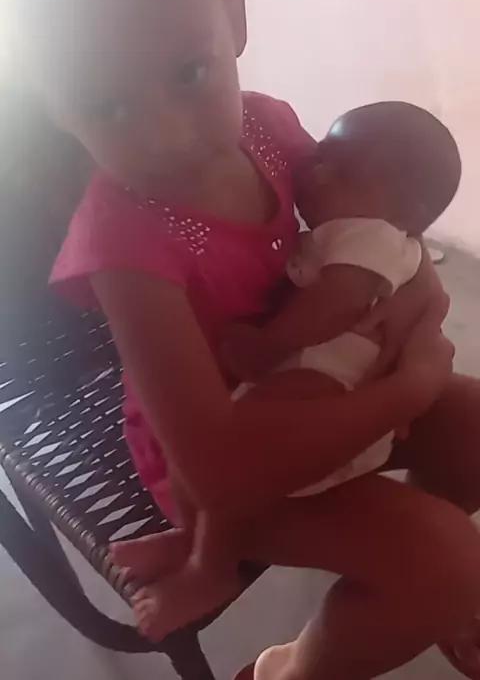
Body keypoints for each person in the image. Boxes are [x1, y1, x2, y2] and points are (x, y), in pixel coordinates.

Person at [7, 0, 480, 680]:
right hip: (220, 477)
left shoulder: (267, 127)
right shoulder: (126, 252)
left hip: (319, 375)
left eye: (189, 73)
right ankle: (294, 668)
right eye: (107, 104)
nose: (166, 136)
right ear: (54, 103)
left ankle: (418, 593)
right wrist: (402, 391)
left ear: (234, 14)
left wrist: (416, 302)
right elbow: (219, 469)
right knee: (442, 555)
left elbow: (371, 231)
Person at [126, 100, 462, 640]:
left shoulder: (367, 234)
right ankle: (200, 548)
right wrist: (411, 383)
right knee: (225, 455)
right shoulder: (370, 228)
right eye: (322, 156)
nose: (317, 172)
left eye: (343, 173)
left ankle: (211, 564)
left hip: (322, 373)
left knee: (245, 444)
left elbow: (338, 302)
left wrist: (268, 346)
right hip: (314, 387)